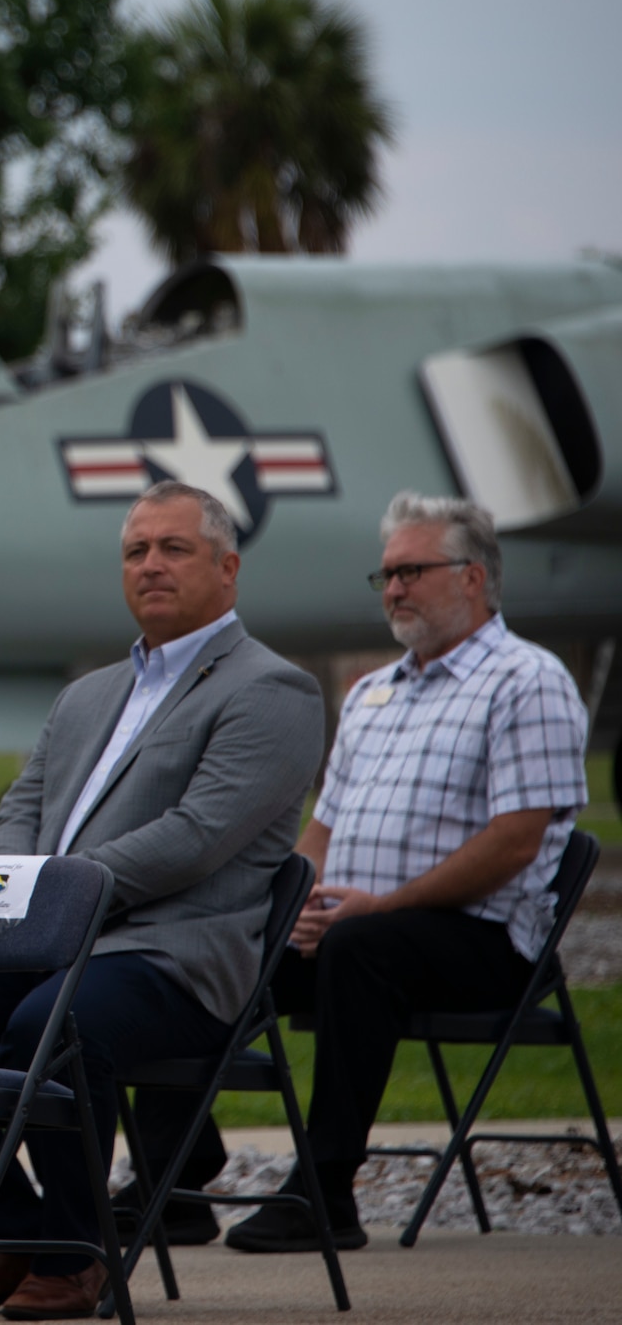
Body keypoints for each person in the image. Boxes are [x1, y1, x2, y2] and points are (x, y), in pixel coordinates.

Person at [0, 480, 324, 1320]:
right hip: (48, 938)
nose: (151, 564)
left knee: (55, 1024)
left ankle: (76, 1252)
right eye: (136, 550)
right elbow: (19, 809)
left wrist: (57, 900)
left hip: (175, 955)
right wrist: (13, 902)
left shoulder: (271, 689)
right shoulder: (88, 692)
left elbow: (196, 835)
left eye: (173, 548)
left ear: (228, 567)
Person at [224, 492, 588, 1253]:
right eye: (385, 574)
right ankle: (174, 1173)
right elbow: (323, 826)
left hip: (486, 941)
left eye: (411, 571)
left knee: (362, 953)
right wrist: (299, 904)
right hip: (363, 924)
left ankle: (324, 1192)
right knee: (224, 945)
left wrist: (376, 910)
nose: (392, 589)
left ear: (473, 579)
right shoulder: (372, 693)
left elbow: (516, 842)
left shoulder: (529, 681)